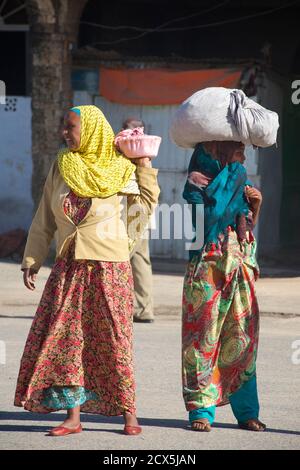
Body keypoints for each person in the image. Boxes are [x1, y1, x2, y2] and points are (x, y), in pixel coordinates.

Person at [14, 105, 160, 436]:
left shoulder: (119, 166)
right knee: (67, 341)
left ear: (91, 128)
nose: (65, 133)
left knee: (115, 340)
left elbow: (145, 205)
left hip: (111, 268)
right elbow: (44, 219)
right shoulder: (62, 166)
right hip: (69, 266)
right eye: (63, 127)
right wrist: (32, 260)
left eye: (71, 127)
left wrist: (145, 168)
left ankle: (129, 415)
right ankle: (73, 418)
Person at [182, 141, 265, 432]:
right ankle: (201, 411)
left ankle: (247, 412)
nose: (244, 157)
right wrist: (216, 187)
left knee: (242, 338)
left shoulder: (238, 177)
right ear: (220, 151)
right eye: (238, 151)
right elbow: (201, 224)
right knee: (202, 339)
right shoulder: (197, 181)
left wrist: (254, 204)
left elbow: (246, 227)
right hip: (207, 267)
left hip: (240, 266)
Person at [122, 117, 155, 323]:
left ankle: (119, 306)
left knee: (121, 258)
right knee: (141, 261)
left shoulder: (128, 150)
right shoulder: (147, 150)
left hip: (130, 214)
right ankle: (144, 310)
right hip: (143, 212)